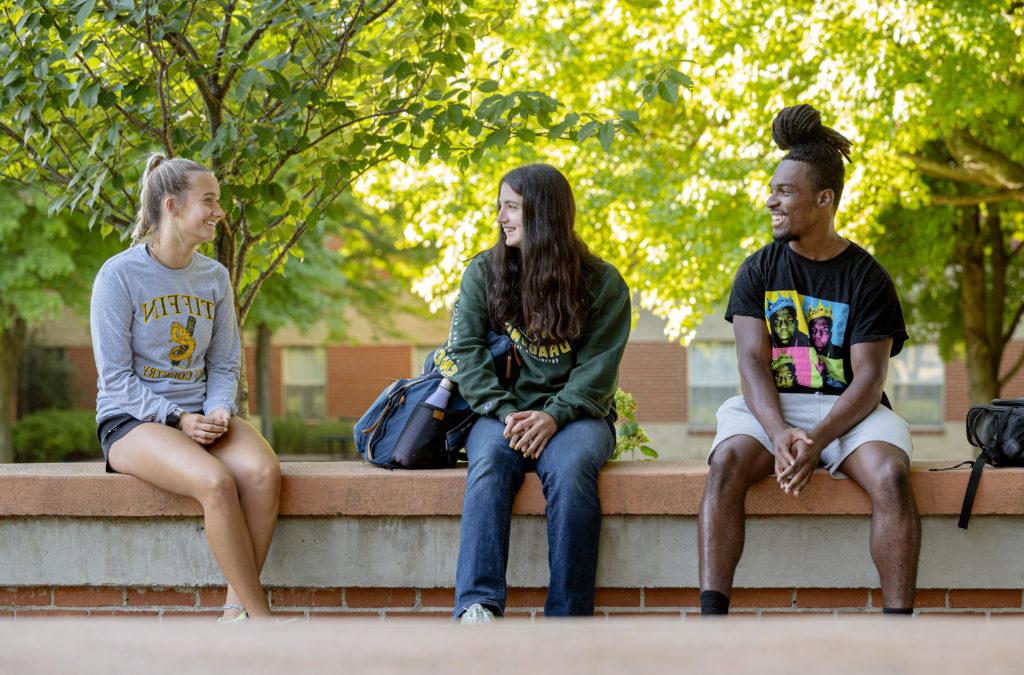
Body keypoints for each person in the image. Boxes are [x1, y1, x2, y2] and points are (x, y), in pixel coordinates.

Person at [698, 104, 919, 616]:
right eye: (772, 189)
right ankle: (711, 624)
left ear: (825, 198)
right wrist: (778, 434)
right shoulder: (758, 269)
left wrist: (817, 440)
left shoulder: (867, 277)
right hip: (772, 406)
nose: (771, 200)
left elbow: (869, 377)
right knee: (725, 464)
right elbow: (752, 362)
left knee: (891, 476)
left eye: (785, 192)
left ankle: (900, 626)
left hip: (848, 411)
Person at [436, 163, 631, 622]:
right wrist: (505, 412)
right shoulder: (484, 273)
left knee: (571, 469)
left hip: (578, 418)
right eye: (500, 206)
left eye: (511, 207)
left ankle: (568, 616)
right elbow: (465, 352)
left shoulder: (601, 283)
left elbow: (598, 372)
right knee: (487, 465)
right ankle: (478, 606)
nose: (500, 217)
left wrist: (554, 416)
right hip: (501, 413)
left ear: (543, 214)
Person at [90, 155, 282, 623]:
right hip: (132, 420)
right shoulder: (118, 276)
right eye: (209, 201)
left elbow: (224, 362)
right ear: (172, 206)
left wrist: (218, 409)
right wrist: (177, 419)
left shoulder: (213, 277)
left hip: (201, 412)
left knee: (263, 474)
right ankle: (264, 621)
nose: (219, 211)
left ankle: (234, 615)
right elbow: (114, 379)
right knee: (215, 483)